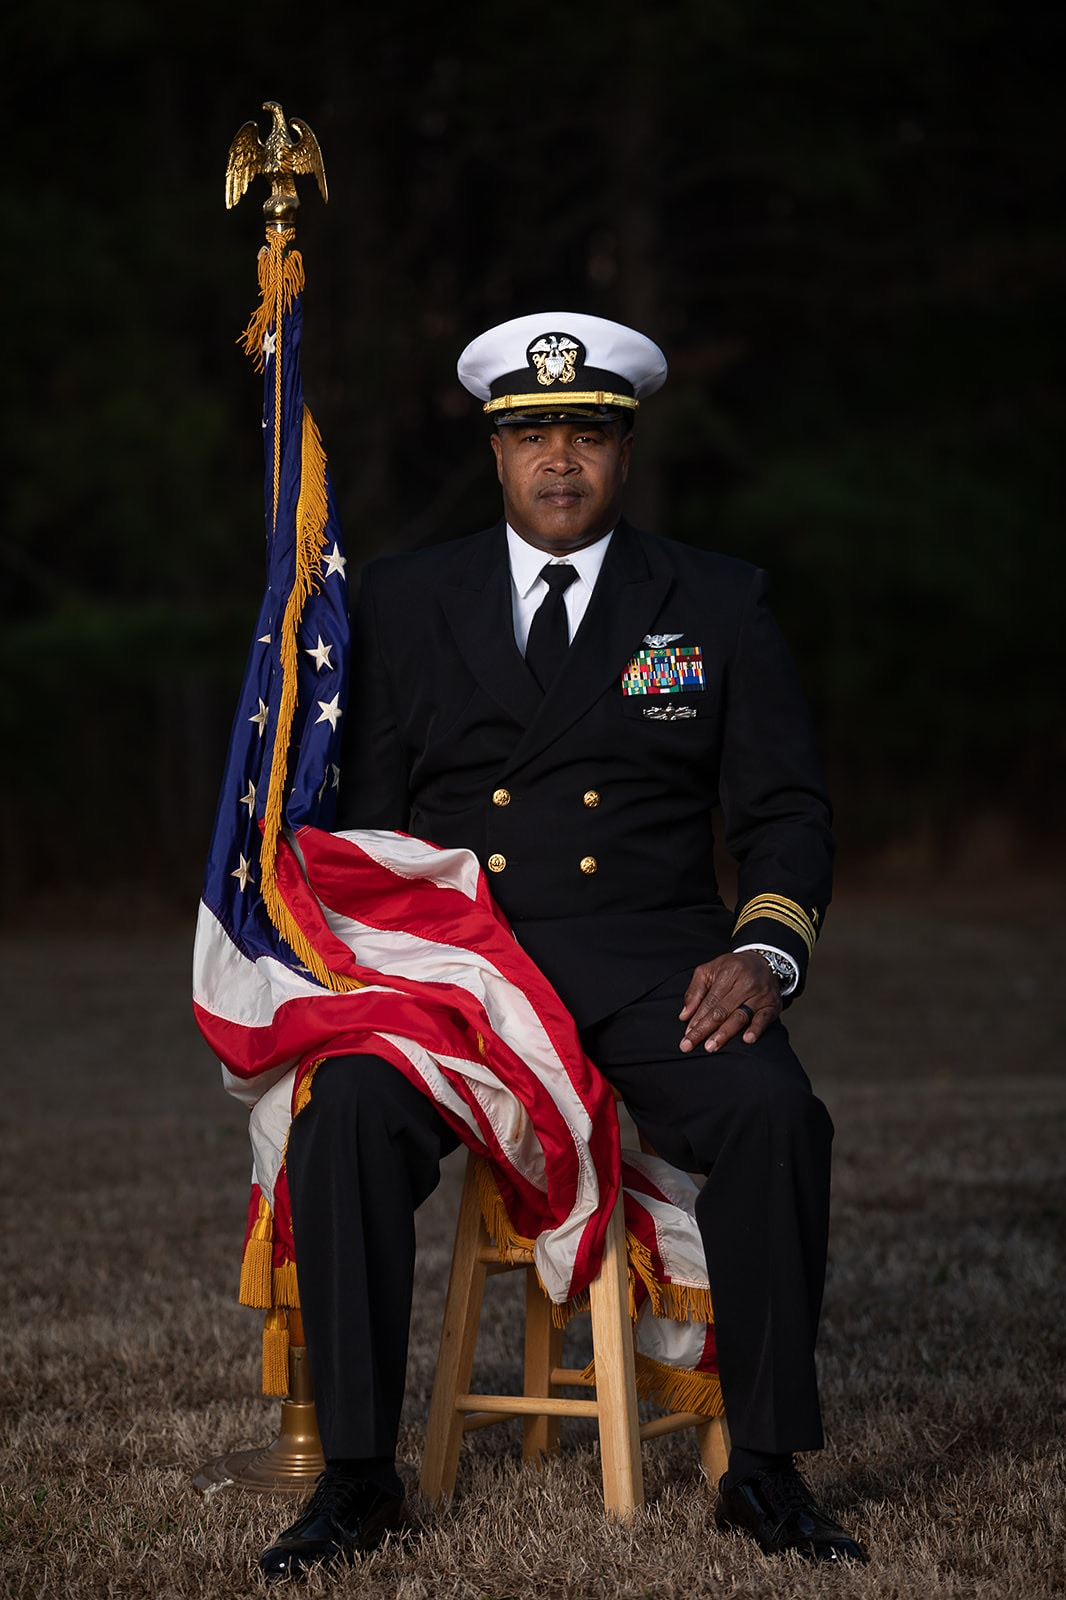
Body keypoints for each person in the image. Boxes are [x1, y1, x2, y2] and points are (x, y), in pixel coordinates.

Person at [259, 312, 867, 1578]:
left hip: (655, 961)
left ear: (624, 451)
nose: (559, 459)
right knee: (348, 1116)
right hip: (467, 973)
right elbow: (365, 820)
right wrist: (372, 972)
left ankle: (765, 1465)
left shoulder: (711, 599)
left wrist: (766, 951)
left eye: (585, 432)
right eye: (532, 433)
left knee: (773, 1113)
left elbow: (786, 813)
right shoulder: (407, 599)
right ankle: (358, 1476)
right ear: (493, 453)